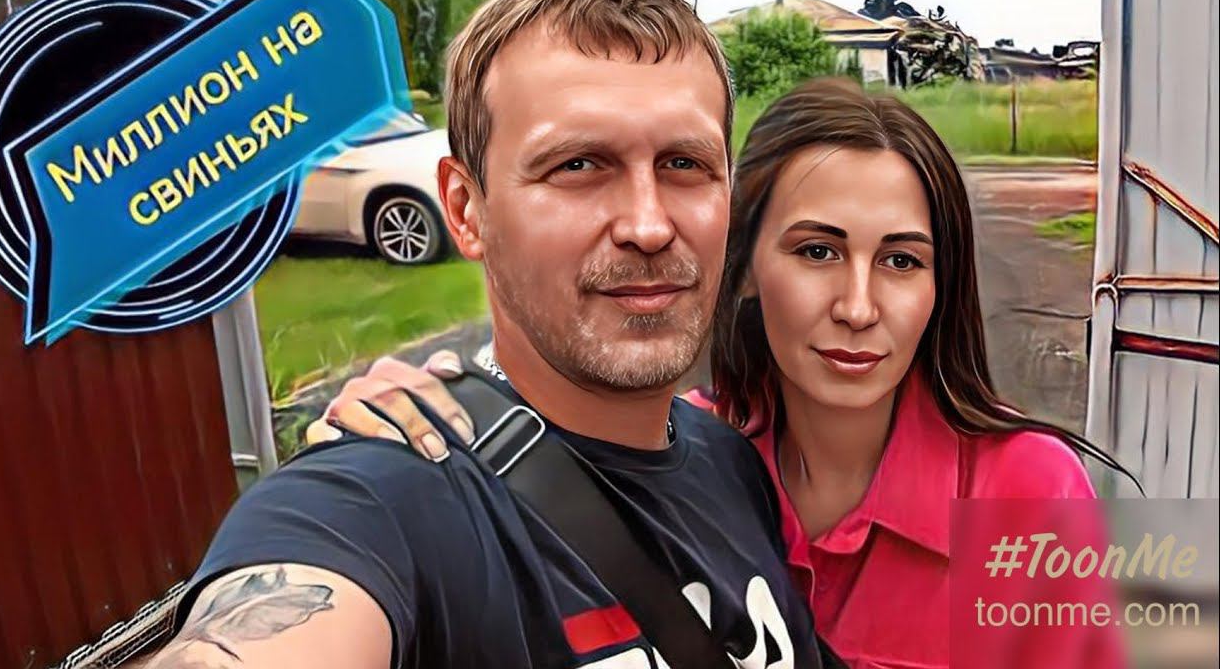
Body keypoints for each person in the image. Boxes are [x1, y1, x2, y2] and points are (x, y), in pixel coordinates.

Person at [148, 0, 829, 669]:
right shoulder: (382, 501)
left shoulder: (732, 466)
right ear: (466, 209)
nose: (649, 226)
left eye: (685, 163)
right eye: (578, 165)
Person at [327, 79, 1129, 668]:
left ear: (939, 286)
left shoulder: (1032, 490)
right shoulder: (684, 451)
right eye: (817, 251)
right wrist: (412, 423)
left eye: (901, 261)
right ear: (740, 267)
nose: (858, 307)